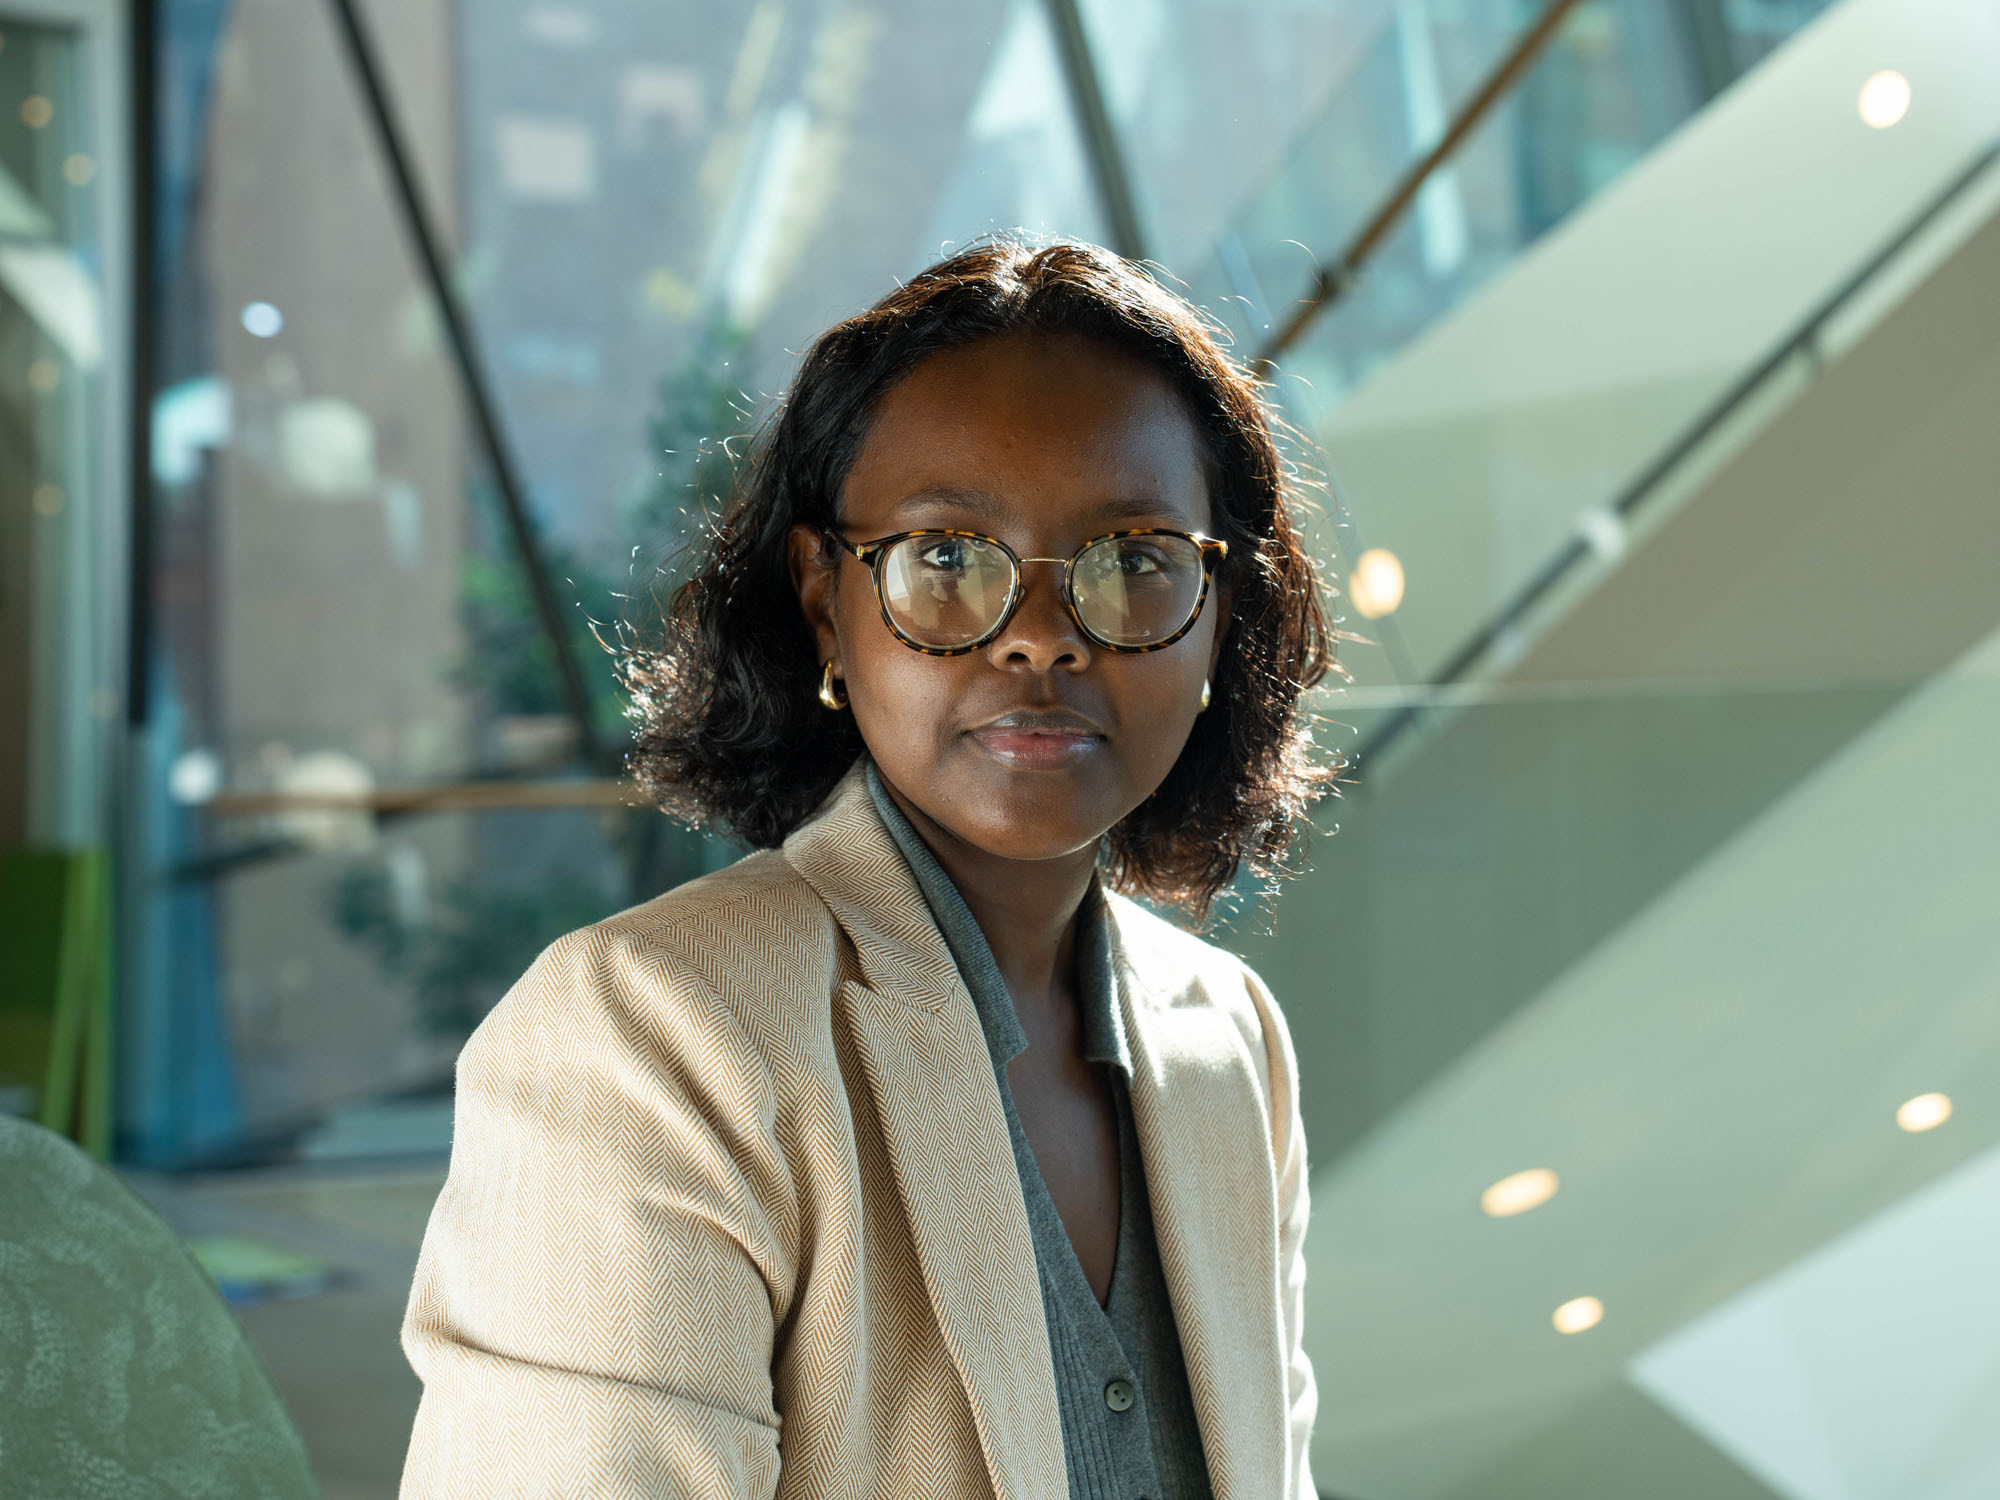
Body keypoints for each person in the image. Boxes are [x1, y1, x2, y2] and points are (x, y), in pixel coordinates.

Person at [399, 239, 1335, 1500]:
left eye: (1132, 558)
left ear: (1220, 614)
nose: (1041, 640)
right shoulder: (645, 1037)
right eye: (946, 557)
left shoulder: (1232, 1041)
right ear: (825, 603)